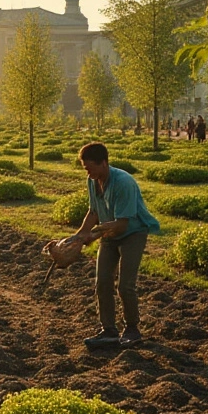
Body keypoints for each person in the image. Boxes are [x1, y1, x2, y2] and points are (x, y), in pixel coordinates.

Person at [64, 142, 161, 349]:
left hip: (132, 233)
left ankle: (132, 329)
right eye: (84, 167)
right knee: (102, 282)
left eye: (89, 166)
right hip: (108, 231)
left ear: (104, 163)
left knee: (125, 285)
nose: (87, 171)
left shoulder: (123, 183)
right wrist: (77, 237)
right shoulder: (93, 180)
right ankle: (108, 330)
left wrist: (93, 235)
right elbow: (93, 212)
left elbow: (121, 224)